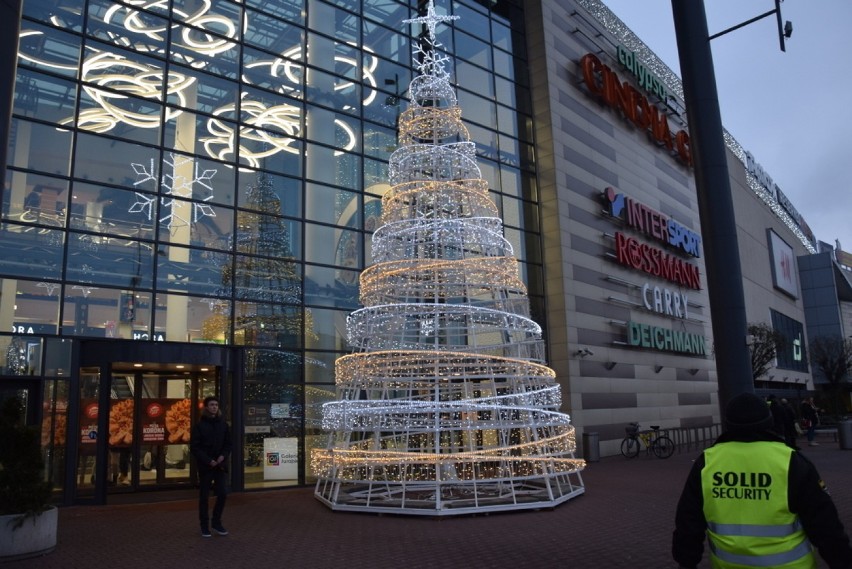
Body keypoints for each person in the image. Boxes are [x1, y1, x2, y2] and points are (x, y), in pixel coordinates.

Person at [672, 392, 852, 569]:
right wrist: (842, 561)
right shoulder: (791, 461)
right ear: (769, 421)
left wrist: (686, 561)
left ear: (728, 423)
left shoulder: (707, 462)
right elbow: (825, 524)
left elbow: (688, 521)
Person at [190, 396, 232, 538]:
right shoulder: (200, 426)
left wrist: (222, 457)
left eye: (216, 405)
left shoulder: (223, 424)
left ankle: (216, 522)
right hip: (206, 466)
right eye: (211, 405)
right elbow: (195, 447)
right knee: (204, 497)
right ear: (206, 407)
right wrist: (208, 461)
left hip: (219, 466)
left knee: (222, 493)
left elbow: (228, 444)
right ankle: (204, 525)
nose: (214, 407)